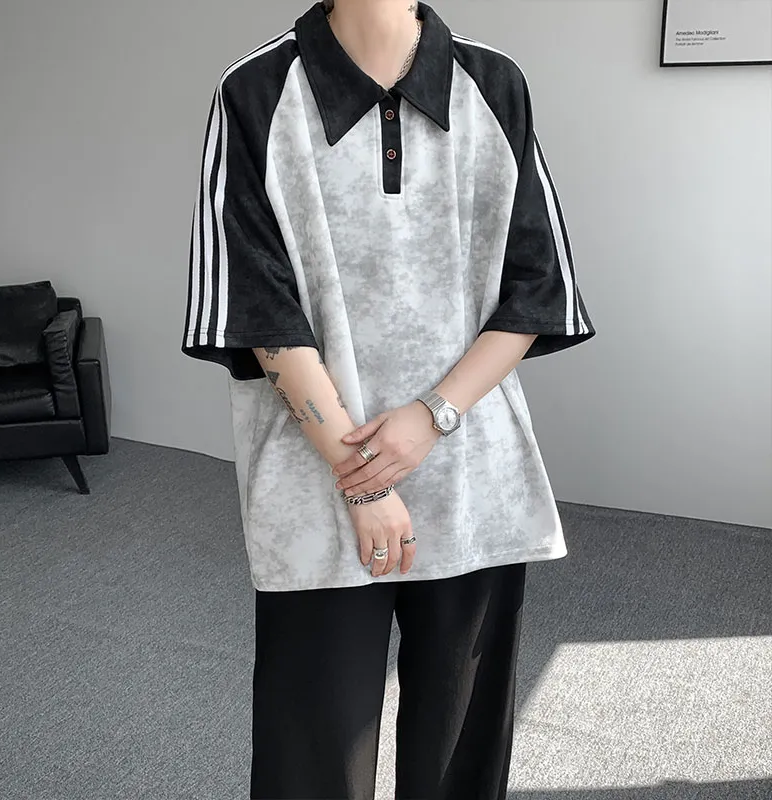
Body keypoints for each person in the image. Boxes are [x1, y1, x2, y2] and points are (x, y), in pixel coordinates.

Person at [181, 1, 595, 797]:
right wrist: (365, 480)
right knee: (313, 760)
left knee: (460, 757)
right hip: (316, 484)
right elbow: (258, 310)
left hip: (471, 474)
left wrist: (432, 416)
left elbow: (537, 289)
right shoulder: (256, 91)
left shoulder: (493, 85)